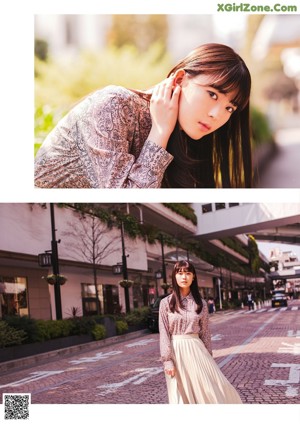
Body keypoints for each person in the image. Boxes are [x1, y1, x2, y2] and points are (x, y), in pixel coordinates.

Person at [34, 43, 252, 188]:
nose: (217, 115)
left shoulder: (187, 135)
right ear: (179, 80)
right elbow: (126, 204)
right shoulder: (114, 105)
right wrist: (159, 132)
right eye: (212, 94)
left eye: (229, 108)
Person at [159, 260, 242, 404]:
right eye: (180, 273)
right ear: (174, 276)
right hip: (175, 352)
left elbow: (205, 333)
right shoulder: (166, 303)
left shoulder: (200, 304)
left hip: (197, 351)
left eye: (188, 273)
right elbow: (164, 332)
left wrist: (208, 356)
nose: (184, 277)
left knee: (209, 390)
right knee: (179, 395)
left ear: (193, 277)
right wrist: (167, 361)